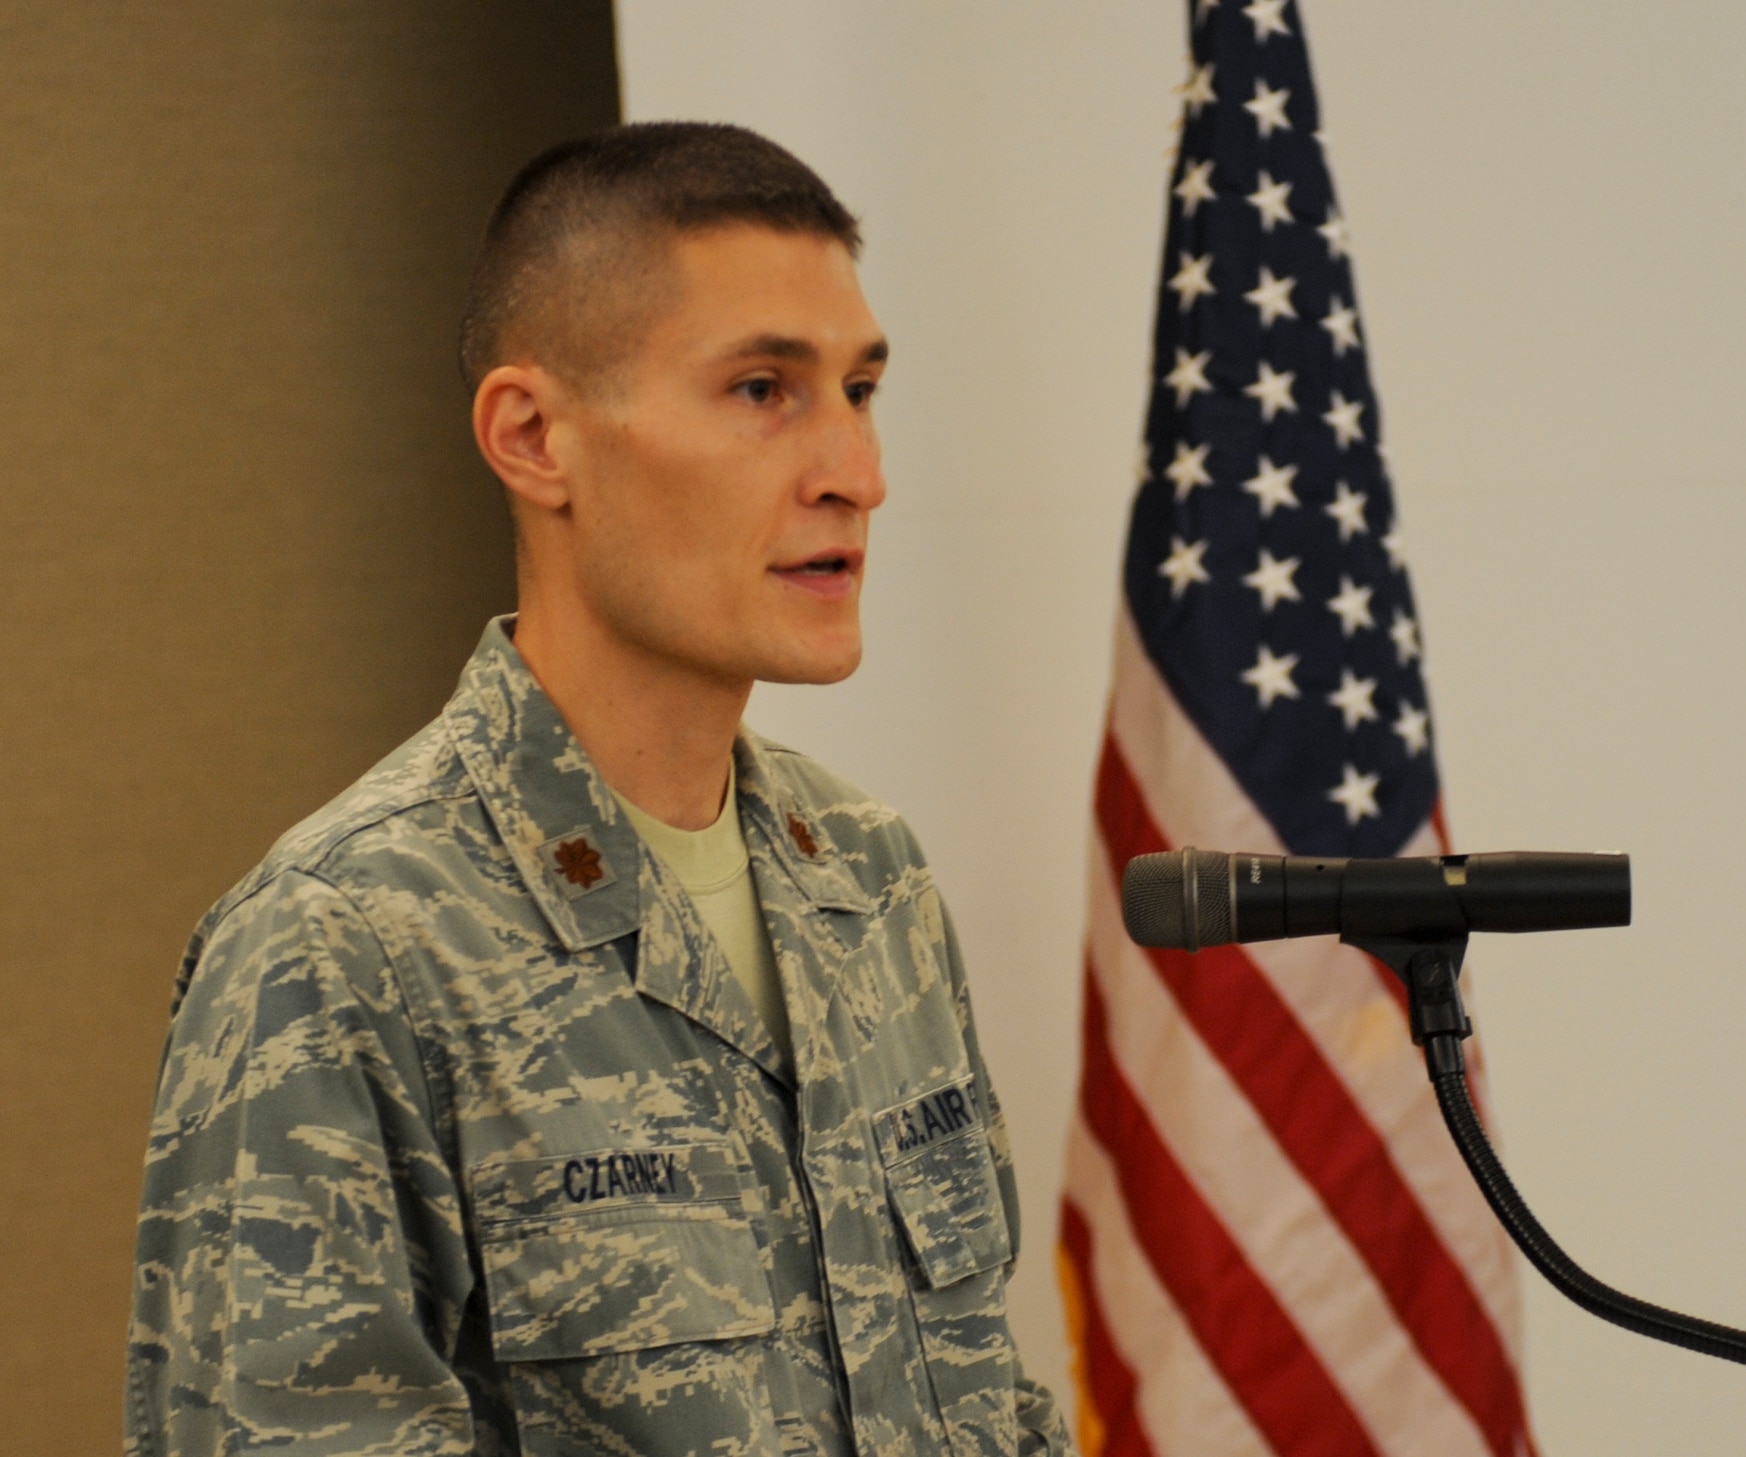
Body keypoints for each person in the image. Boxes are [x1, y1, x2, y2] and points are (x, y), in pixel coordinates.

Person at [125, 121, 1073, 1457]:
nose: (858, 474)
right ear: (533, 437)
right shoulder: (345, 945)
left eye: (860, 390)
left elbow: (990, 1409)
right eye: (761, 389)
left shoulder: (870, 877)